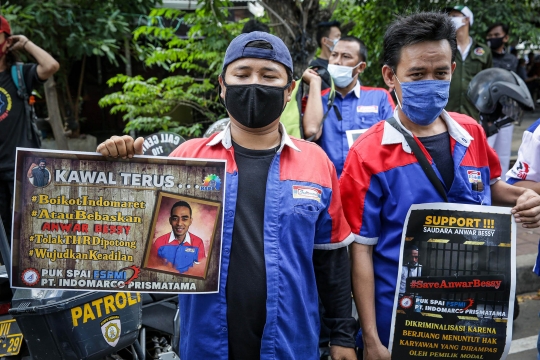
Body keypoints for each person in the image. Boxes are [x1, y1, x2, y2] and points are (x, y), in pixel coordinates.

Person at [97, 31, 357, 360]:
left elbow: (331, 260)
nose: (254, 84)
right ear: (223, 86)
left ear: (289, 90)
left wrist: (343, 335)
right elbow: (132, 240)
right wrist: (116, 173)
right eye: (242, 74)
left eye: (268, 75)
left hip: (291, 345)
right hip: (206, 345)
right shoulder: (186, 160)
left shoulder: (316, 163)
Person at [339, 12, 540, 360]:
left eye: (441, 73)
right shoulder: (367, 155)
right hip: (402, 326)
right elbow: (361, 252)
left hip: (472, 320)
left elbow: (490, 189)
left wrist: (524, 196)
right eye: (417, 74)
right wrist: (370, 338)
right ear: (390, 76)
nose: (430, 83)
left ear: (452, 70)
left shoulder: (471, 133)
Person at [0, 15, 59, 238]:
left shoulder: (20, 73)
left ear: (7, 40)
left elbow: (50, 65)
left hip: (20, 167)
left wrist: (25, 43)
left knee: (23, 230)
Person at [303, 36, 395, 177]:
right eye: (334, 55)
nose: (338, 61)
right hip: (327, 186)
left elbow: (393, 144)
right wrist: (315, 83)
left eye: (346, 56)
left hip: (369, 187)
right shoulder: (317, 99)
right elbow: (312, 132)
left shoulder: (379, 97)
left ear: (361, 67)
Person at [445, 5, 492, 121]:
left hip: (473, 113)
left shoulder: (483, 51)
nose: (450, 19)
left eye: (454, 16)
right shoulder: (444, 47)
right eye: (449, 17)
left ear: (467, 19)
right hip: (446, 112)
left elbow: (489, 82)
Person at [485, 23, 519, 174]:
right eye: (490, 36)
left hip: (507, 112)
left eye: (496, 35)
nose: (492, 38)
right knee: (486, 151)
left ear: (505, 38)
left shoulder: (512, 59)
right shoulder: (484, 56)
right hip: (487, 113)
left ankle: (502, 192)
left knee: (503, 154)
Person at [149, 201, 206, 272]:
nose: (179, 223)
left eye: (184, 219)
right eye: (175, 219)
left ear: (190, 221)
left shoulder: (198, 242)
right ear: (170, 221)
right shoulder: (159, 242)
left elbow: (201, 270)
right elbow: (152, 269)